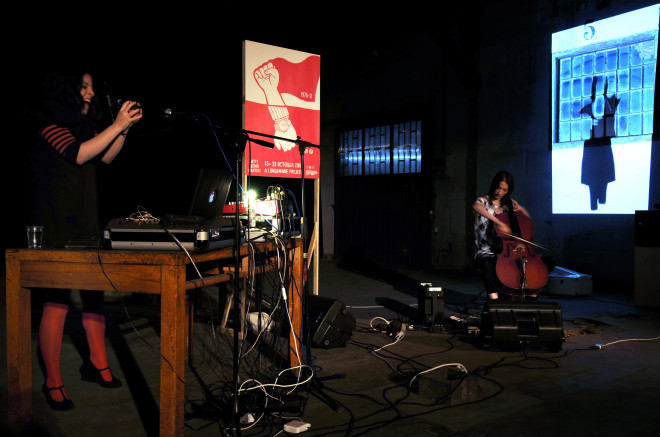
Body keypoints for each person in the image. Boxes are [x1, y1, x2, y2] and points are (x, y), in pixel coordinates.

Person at [28, 70, 142, 410]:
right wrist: (117, 126)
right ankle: (53, 381)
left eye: (91, 87)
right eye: (84, 86)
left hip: (85, 221)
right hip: (56, 225)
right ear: (66, 90)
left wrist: (125, 129)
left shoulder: (84, 128)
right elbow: (78, 154)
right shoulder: (48, 124)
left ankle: (97, 364)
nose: (90, 93)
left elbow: (104, 155)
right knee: (58, 300)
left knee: (94, 295)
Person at [472, 171, 530, 301]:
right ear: (494, 185)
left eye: (504, 190)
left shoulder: (506, 207)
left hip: (504, 251)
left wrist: (522, 210)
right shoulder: (483, 202)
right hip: (485, 249)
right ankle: (494, 298)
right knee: (488, 263)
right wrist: (497, 221)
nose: (500, 192)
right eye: (498, 187)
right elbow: (476, 207)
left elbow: (526, 224)